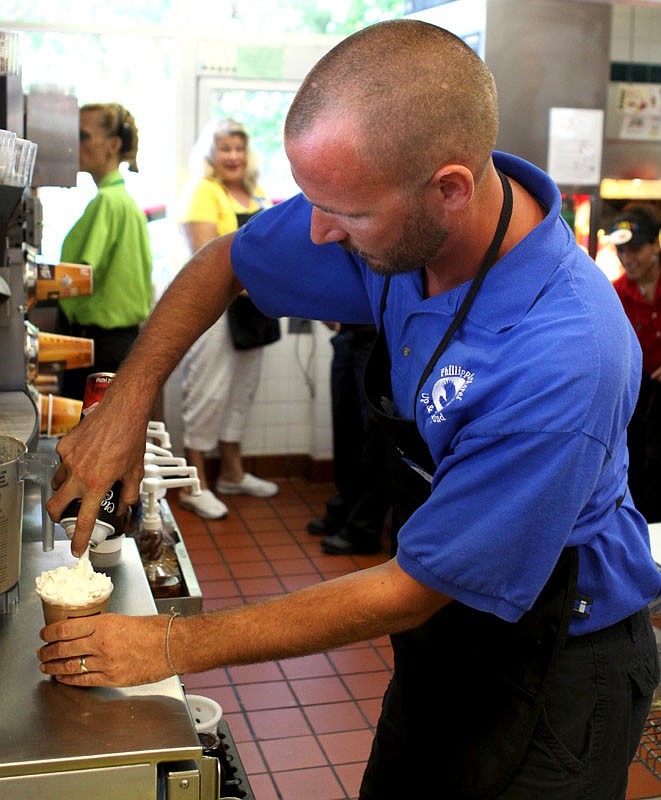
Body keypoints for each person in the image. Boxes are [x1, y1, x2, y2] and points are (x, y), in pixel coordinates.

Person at [39, 21, 660, 800]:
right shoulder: (395, 214)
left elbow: (415, 584)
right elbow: (226, 260)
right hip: (442, 639)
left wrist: (168, 642)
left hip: (558, 662)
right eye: (315, 200)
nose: (317, 232)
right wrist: (125, 406)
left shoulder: (563, 351)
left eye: (346, 213)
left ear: (449, 190)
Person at [175, 118, 279, 520]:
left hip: (254, 310)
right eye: (225, 148)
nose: (233, 156)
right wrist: (260, 287)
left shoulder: (256, 193)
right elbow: (204, 259)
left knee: (241, 392)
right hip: (216, 309)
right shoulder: (203, 192)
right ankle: (193, 484)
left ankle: (233, 473)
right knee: (208, 393)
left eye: (239, 148)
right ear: (210, 154)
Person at [56, 102, 152, 401]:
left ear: (113, 145)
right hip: (122, 343)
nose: (74, 143)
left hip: (99, 346)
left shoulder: (107, 203)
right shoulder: (126, 203)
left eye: (82, 135)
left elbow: (77, 277)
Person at [308, 321, 391, 555]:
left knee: (374, 434)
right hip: (349, 333)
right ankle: (344, 511)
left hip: (380, 337)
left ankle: (363, 529)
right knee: (346, 427)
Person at [610, 204, 661, 523]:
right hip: (638, 399)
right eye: (622, 251)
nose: (628, 259)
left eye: (636, 250)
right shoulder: (615, 293)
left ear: (655, 245)